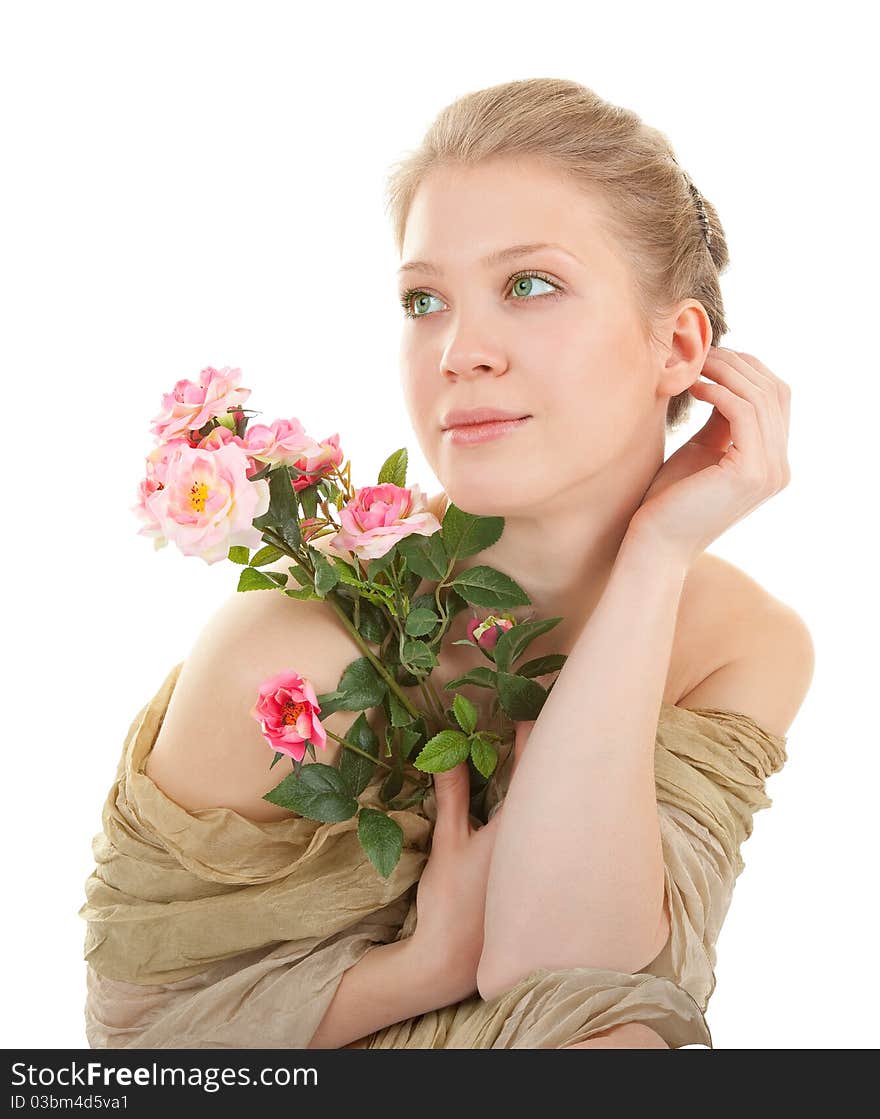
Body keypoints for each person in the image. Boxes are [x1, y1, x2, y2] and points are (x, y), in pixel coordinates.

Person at [78, 77, 814, 1050]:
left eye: (529, 285)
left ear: (677, 344)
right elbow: (126, 1060)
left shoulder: (738, 643)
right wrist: (416, 969)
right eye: (424, 300)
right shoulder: (287, 656)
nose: (460, 350)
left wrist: (655, 557)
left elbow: (572, 970)